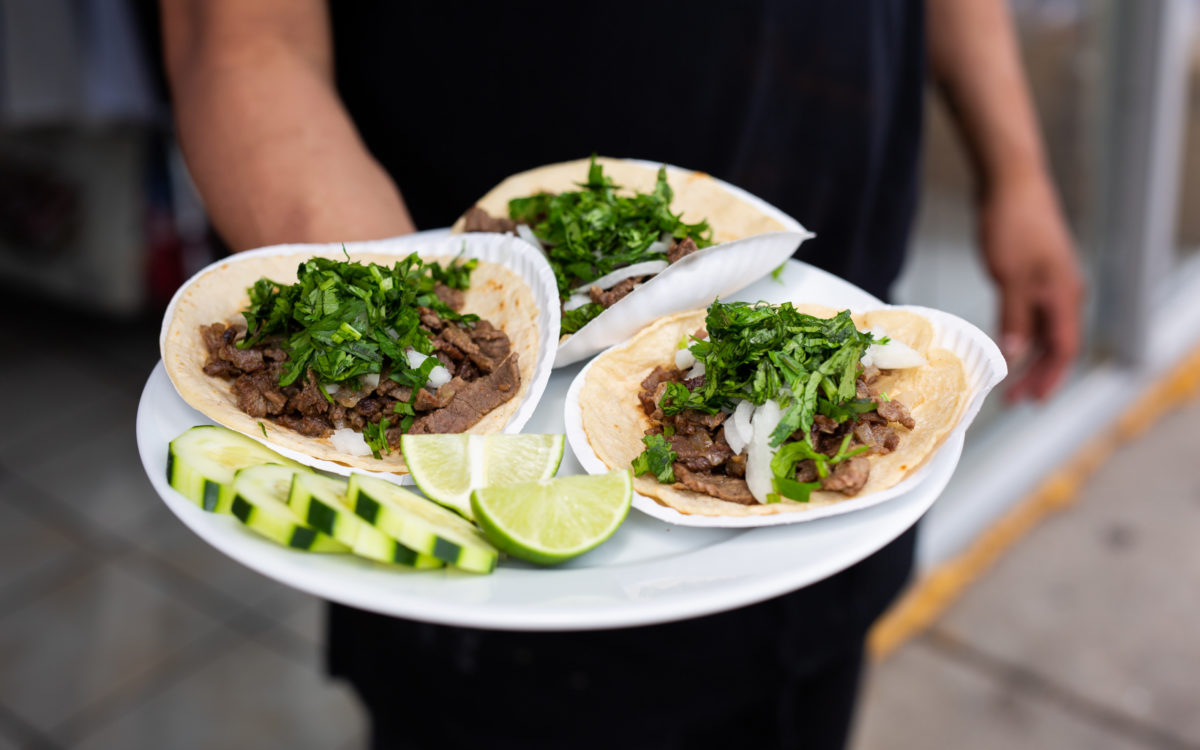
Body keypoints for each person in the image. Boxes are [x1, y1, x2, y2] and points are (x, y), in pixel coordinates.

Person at [161, 1, 1084, 747]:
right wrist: (406, 335)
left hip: (830, 357)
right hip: (498, 505)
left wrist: (1017, 167)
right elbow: (238, 39)